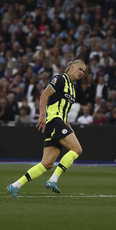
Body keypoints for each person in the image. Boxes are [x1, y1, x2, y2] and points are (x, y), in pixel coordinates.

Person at [7, 60, 86, 198]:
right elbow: (44, 96)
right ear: (71, 67)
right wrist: (42, 115)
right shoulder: (60, 79)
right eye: (80, 69)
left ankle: (15, 185)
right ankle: (53, 180)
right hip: (53, 121)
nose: (82, 73)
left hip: (59, 122)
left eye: (84, 71)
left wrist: (69, 128)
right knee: (77, 149)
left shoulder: (73, 89)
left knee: (47, 163)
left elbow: (64, 112)